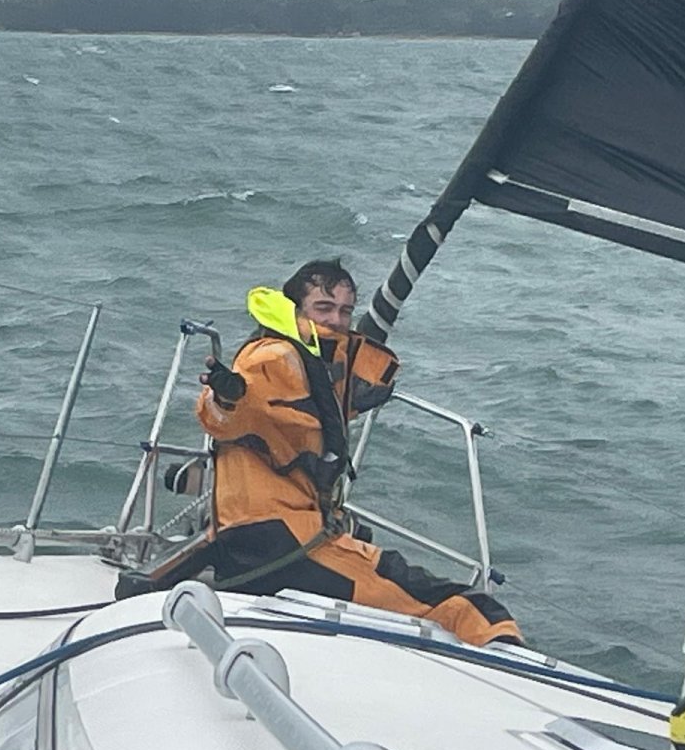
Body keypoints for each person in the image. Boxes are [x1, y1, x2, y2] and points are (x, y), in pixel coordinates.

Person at [192, 258, 522, 647]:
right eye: (323, 308)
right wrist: (228, 398)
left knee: (369, 543)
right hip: (287, 546)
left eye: (345, 311)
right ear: (294, 310)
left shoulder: (320, 358)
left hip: (260, 540)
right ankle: (509, 655)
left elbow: (319, 401)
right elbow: (232, 411)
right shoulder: (274, 357)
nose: (335, 320)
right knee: (470, 607)